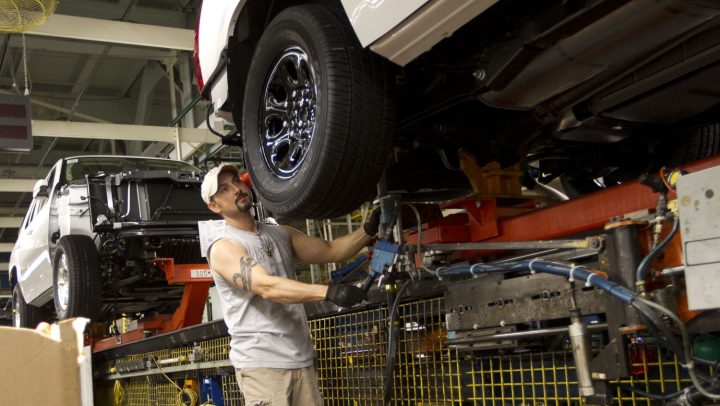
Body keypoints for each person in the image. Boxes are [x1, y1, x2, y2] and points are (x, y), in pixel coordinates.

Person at [200, 163, 380, 406]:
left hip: (301, 359)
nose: (236, 189)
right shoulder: (224, 246)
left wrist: (368, 229)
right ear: (214, 206)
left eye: (236, 181)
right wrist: (329, 292)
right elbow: (267, 287)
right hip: (263, 366)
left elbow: (332, 249)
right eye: (223, 189)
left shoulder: (280, 233)